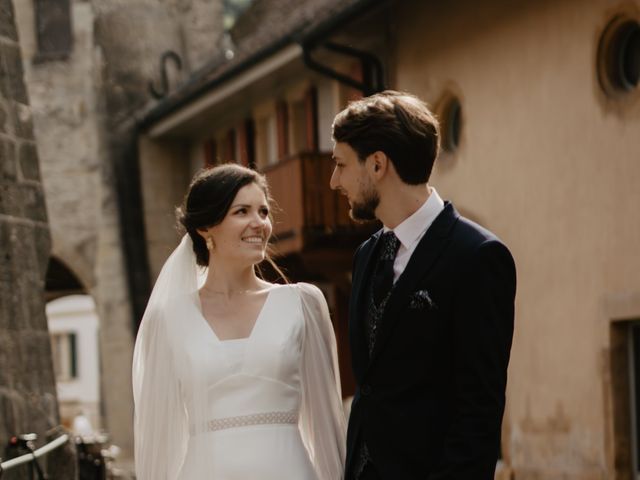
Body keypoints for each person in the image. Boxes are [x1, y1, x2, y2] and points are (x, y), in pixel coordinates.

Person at [330, 91, 516, 479]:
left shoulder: (477, 257)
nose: (334, 181)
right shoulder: (366, 255)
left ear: (377, 164)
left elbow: (478, 411)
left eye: (341, 165)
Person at [132, 164, 346, 480]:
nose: (259, 223)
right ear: (206, 228)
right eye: (242, 211)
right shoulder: (168, 320)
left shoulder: (302, 304)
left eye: (263, 212)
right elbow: (159, 438)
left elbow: (327, 425)